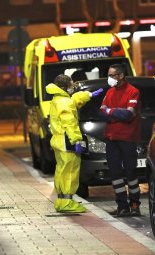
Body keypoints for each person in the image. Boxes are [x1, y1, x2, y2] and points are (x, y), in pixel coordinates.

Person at [47, 74, 104, 212]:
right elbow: (69, 123)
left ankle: (61, 200)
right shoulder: (64, 102)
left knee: (61, 170)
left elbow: (72, 101)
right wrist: (76, 140)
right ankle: (68, 202)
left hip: (59, 141)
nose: (73, 87)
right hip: (67, 141)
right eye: (71, 85)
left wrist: (87, 95)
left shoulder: (58, 99)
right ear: (65, 86)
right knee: (70, 171)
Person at [100, 64, 142, 217]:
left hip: (127, 138)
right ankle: (122, 206)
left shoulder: (133, 92)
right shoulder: (110, 92)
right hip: (111, 138)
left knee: (131, 172)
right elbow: (101, 112)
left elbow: (129, 115)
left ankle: (135, 204)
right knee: (115, 173)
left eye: (112, 75)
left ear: (121, 75)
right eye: (109, 75)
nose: (109, 78)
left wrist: (111, 112)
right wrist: (116, 113)